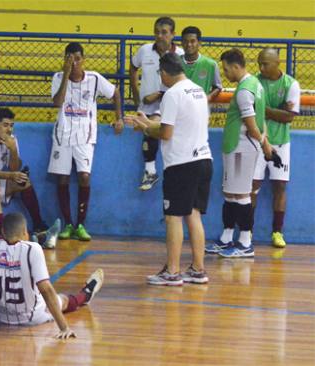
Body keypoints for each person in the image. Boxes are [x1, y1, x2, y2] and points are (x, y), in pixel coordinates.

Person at [0, 213, 104, 339]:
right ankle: (85, 295)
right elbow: (46, 290)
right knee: (63, 300)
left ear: (2, 231)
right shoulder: (33, 249)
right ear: (25, 232)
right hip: (31, 318)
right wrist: (64, 327)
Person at [125, 53, 213, 286]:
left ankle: (172, 272)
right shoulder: (198, 91)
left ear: (164, 73)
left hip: (182, 164)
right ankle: (197, 269)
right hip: (204, 160)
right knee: (193, 215)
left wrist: (145, 129)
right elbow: (179, 125)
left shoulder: (172, 95)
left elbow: (165, 133)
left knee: (173, 217)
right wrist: (146, 123)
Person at [207, 48, 277, 258]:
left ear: (236, 66)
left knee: (242, 194)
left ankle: (245, 242)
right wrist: (265, 141)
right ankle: (227, 238)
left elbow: (252, 123)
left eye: (227, 69)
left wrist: (265, 145)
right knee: (230, 193)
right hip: (236, 147)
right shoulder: (255, 84)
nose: (226, 74)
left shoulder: (246, 90)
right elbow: (261, 119)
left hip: (241, 148)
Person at [49, 42, 123, 241]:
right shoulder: (57, 77)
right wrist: (65, 74)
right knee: (62, 178)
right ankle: (68, 224)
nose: (74, 63)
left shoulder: (95, 78)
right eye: (70, 59)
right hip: (62, 135)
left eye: (77, 58)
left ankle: (81, 224)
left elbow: (115, 93)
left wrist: (119, 118)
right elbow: (57, 102)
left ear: (83, 59)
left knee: (84, 176)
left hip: (85, 136)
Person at [0, 107, 61, 246]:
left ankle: (39, 226)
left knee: (24, 182)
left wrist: (13, 150)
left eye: (11, 125)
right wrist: (10, 175)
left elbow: (15, 168)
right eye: (5, 125)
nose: (9, 129)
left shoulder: (12, 140)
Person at [251, 48, 301, 248]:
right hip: (257, 141)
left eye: (266, 64)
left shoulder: (291, 84)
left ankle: (277, 232)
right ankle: (247, 230)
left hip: (280, 141)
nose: (261, 67)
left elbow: (289, 116)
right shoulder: (253, 81)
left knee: (279, 187)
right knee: (252, 187)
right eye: (259, 63)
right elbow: (251, 109)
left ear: (277, 62)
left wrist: (263, 109)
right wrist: (278, 110)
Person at [130, 17, 184, 191]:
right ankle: (152, 171)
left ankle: (151, 171)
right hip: (146, 106)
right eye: (157, 32)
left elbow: (184, 82)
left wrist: (159, 94)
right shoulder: (145, 50)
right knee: (146, 130)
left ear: (173, 34)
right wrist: (136, 95)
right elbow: (132, 67)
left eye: (164, 32)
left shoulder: (181, 55)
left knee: (152, 129)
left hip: (170, 106)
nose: (160, 36)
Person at [180, 26, 222, 100]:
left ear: (199, 43)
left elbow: (217, 87)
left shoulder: (211, 64)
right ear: (182, 43)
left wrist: (207, 98)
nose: (189, 44)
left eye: (192, 41)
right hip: (179, 109)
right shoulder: (175, 63)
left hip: (201, 109)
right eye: (186, 41)